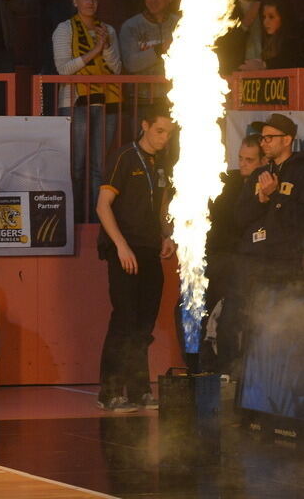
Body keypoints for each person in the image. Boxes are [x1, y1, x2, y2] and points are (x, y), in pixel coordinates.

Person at [95, 105, 176, 412]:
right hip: (123, 249)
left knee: (144, 323)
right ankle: (110, 392)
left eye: (168, 133)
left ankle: (140, 389)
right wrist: (121, 246)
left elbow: (163, 206)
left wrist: (167, 234)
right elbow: (103, 206)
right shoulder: (124, 157)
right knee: (124, 319)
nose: (163, 138)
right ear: (144, 125)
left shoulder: (163, 162)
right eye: (159, 131)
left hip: (150, 248)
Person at [53, 0, 122, 222]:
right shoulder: (64, 29)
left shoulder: (108, 30)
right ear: (75, 1)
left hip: (106, 101)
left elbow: (116, 68)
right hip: (75, 101)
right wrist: (94, 51)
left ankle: (96, 219)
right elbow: (63, 70)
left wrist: (107, 47)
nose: (90, 3)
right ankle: (74, 218)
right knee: (77, 166)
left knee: (99, 168)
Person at [201, 135, 266, 376]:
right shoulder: (227, 182)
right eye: (240, 158)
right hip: (220, 256)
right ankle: (208, 370)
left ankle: (233, 373)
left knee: (236, 319)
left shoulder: (266, 184)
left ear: (262, 161)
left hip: (246, 259)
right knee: (208, 316)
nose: (243, 164)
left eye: (249, 160)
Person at [235, 113, 304, 284]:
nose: (263, 143)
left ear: (287, 140)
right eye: (262, 138)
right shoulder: (259, 174)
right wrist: (261, 200)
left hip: (288, 265)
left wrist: (275, 195)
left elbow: (299, 219)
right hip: (254, 261)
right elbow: (239, 218)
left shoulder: (300, 171)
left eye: (269, 138)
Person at [118, 0, 177, 105]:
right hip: (140, 99)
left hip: (176, 98)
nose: (152, 1)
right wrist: (160, 49)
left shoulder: (181, 24)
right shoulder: (131, 26)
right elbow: (131, 64)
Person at [217, 0, 264, 75]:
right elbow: (223, 44)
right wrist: (245, 24)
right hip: (236, 72)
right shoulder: (225, 8)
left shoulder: (267, 6)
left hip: (265, 71)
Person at [253, 0, 304, 71]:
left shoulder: (294, 42)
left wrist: (264, 65)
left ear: (283, 17)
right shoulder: (266, 42)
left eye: (271, 17)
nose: (265, 22)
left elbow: (287, 60)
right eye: (264, 17)